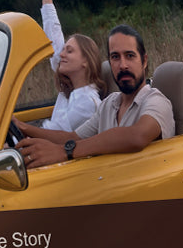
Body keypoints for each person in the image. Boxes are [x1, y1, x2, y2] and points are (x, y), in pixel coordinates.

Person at [19, 23, 174, 168]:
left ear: (144, 60)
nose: (123, 65)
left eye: (130, 56)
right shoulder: (109, 104)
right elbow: (73, 137)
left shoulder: (156, 101)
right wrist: (23, 127)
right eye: (115, 57)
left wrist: (63, 151)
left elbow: (137, 136)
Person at [22, 0, 103, 133]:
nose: (61, 54)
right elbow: (53, 33)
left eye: (70, 51)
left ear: (86, 62)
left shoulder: (87, 103)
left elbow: (51, 133)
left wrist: (16, 127)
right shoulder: (71, 91)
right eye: (64, 50)